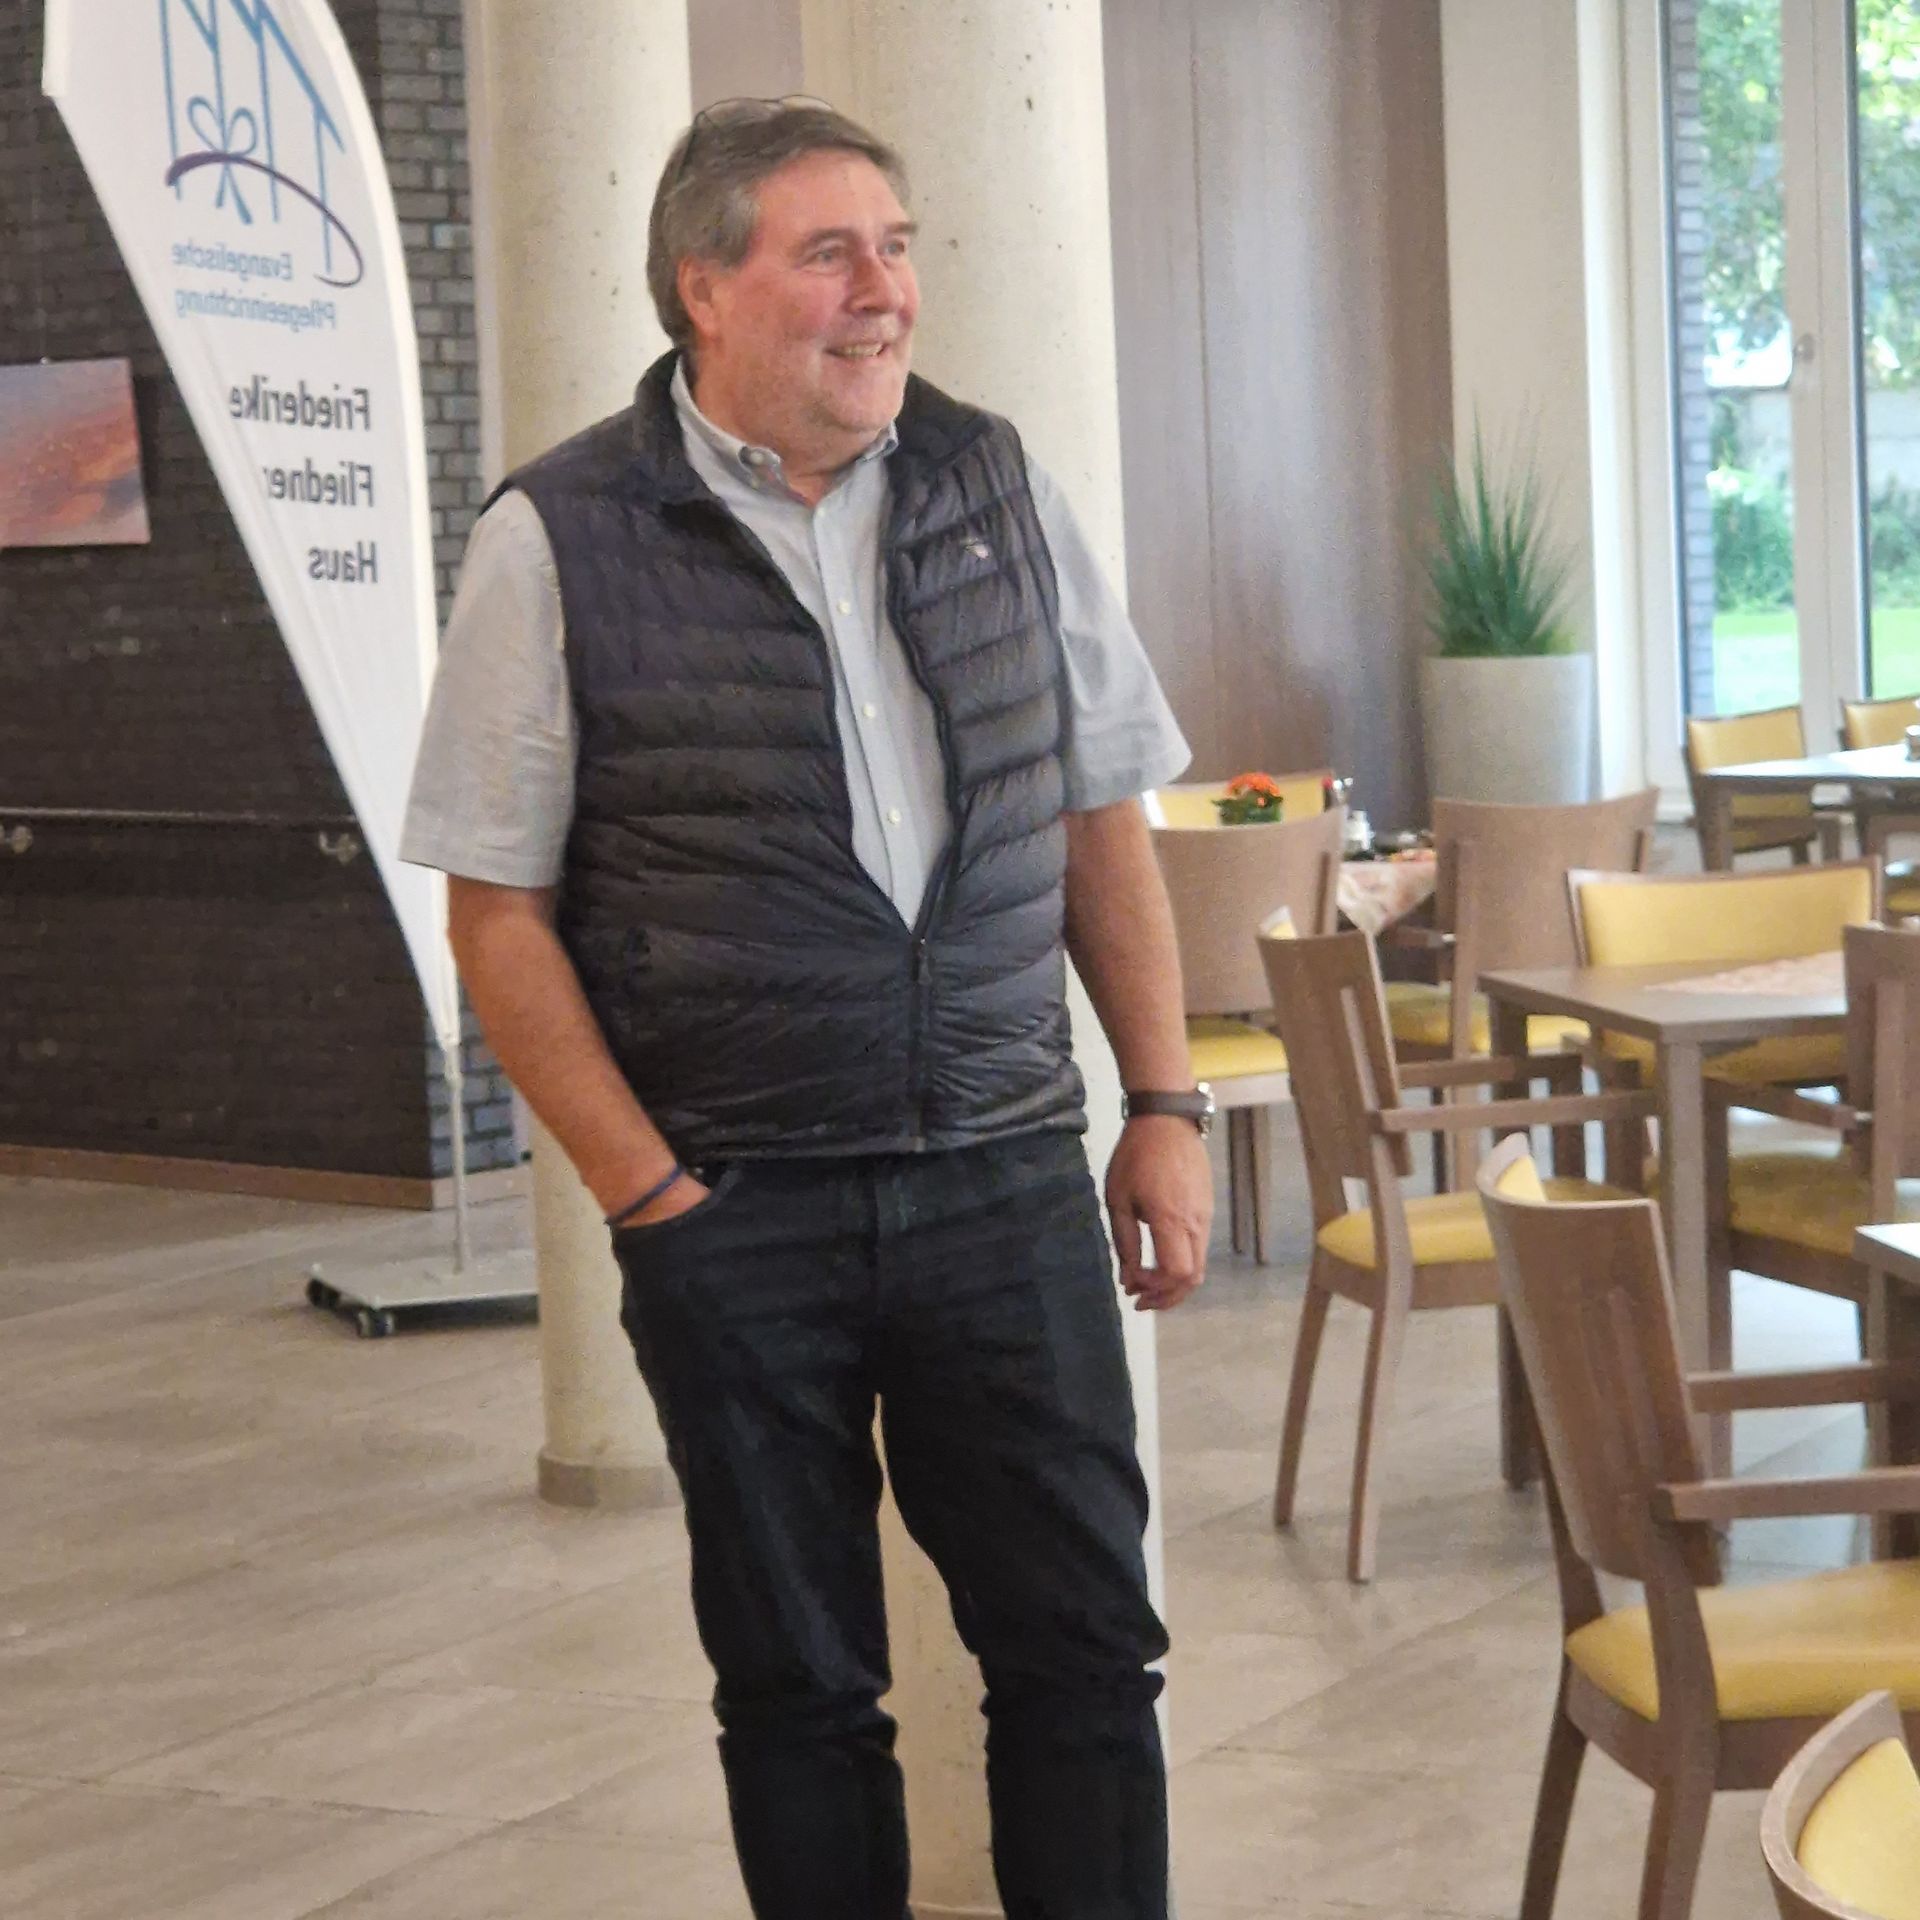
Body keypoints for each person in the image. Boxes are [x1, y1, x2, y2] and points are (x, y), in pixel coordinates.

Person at [402, 97, 1212, 1920]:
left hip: (1003, 1176)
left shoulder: (998, 484)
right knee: (799, 1693)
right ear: (705, 287)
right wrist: (649, 1199)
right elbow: (496, 914)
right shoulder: (559, 534)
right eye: (832, 253)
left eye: (898, 248)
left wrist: (1162, 1102)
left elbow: (1101, 814)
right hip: (739, 1207)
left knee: (1089, 1658)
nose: (885, 291)